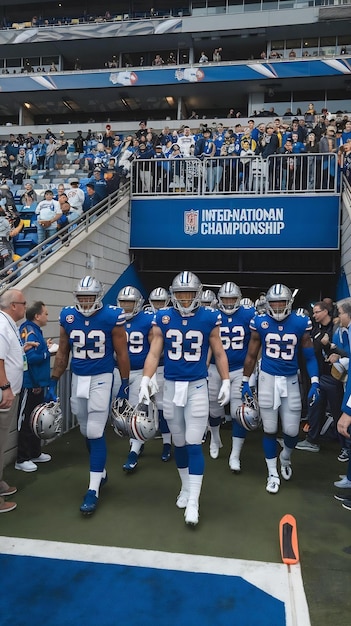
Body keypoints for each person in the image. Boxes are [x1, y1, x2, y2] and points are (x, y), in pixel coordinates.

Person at [138, 271, 230, 526]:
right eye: (180, 294)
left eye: (189, 293)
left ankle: (194, 501)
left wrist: (226, 380)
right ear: (173, 294)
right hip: (172, 384)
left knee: (192, 442)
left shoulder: (209, 317)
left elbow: (219, 353)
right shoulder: (163, 317)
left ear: (198, 294)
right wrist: (146, 378)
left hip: (197, 385)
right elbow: (154, 352)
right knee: (178, 441)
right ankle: (186, 488)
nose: (185, 299)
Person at [48, 276, 130, 515]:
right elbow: (63, 352)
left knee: (95, 430)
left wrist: (124, 382)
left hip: (102, 377)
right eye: (81, 297)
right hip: (78, 377)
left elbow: (122, 354)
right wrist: (53, 380)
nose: (85, 302)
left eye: (89, 297)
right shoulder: (68, 316)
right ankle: (101, 472)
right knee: (85, 430)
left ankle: (93, 489)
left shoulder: (111, 316)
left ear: (98, 297)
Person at [241, 284, 320, 494]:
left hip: (291, 379)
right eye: (273, 303)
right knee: (268, 429)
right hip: (267, 378)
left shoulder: (301, 322)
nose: (277, 307)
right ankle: (272, 473)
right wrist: (245, 381)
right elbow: (251, 355)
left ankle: (285, 457)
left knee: (292, 431)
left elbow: (310, 356)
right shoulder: (260, 322)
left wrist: (315, 382)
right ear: (267, 304)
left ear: (289, 303)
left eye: (281, 303)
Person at [207, 282, 256, 468]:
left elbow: (255, 343)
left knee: (239, 412)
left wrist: (253, 370)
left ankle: (235, 455)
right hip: (214, 368)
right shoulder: (211, 314)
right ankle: (215, 437)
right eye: (225, 299)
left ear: (239, 299)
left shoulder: (248, 314)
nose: (228, 302)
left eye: (232, 299)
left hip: (238, 369)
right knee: (213, 407)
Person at [296, 301, 344, 456]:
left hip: (335, 377)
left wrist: (329, 345)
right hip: (320, 376)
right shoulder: (315, 329)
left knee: (338, 411)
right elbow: (312, 349)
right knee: (315, 406)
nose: (314, 315)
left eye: (317, 312)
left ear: (326, 312)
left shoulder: (337, 328)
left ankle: (345, 446)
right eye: (314, 312)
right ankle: (312, 440)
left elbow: (343, 350)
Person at [115, 286, 154, 472]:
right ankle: (135, 442)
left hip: (139, 372)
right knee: (117, 412)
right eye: (123, 303)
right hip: (118, 371)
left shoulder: (148, 319)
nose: (126, 307)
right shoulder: (114, 318)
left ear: (138, 303)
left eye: (129, 303)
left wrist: (150, 374)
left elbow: (155, 348)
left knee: (136, 412)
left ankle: (134, 450)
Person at [15, 301, 53, 472]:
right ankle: (22, 458)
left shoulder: (34, 329)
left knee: (35, 420)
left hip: (37, 383)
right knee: (26, 421)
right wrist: (47, 352)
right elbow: (30, 358)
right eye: (45, 313)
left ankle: (35, 452)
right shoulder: (29, 330)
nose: (47, 316)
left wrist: (45, 347)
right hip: (31, 384)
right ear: (37, 316)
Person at [0, 289, 28, 513]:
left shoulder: (9, 324)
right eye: (23, 303)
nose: (26, 307)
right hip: (3, 394)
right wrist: (5, 387)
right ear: (13, 306)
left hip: (9, 392)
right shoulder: (2, 325)